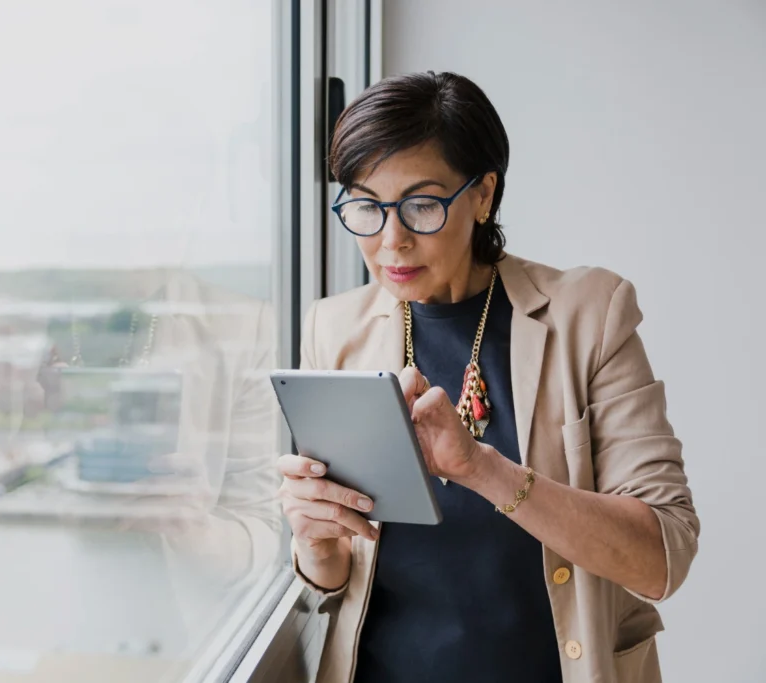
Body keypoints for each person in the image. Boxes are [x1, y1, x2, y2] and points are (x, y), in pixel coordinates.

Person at [277, 71, 698, 683]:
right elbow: (339, 574)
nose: (391, 240)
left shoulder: (590, 313)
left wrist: (482, 468)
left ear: (482, 195)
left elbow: (663, 556)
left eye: (421, 204)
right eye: (366, 206)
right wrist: (315, 546)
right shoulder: (331, 329)